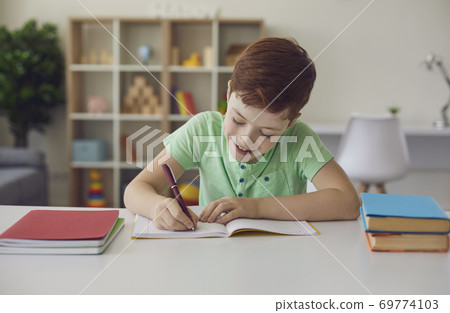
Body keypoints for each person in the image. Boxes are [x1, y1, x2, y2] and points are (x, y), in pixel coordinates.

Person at [124, 37, 360, 231]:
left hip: (283, 262)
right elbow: (135, 190)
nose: (247, 139)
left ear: (290, 124)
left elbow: (348, 202)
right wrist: (157, 207)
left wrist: (255, 208)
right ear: (228, 94)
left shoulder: (299, 139)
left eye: (267, 133)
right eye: (237, 120)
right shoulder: (202, 129)